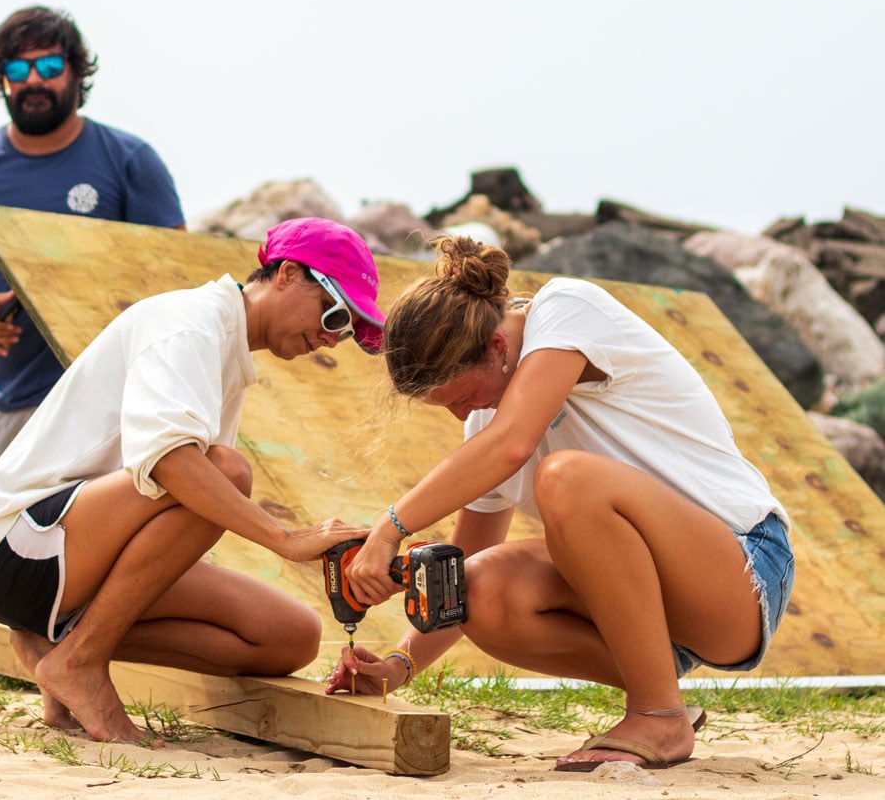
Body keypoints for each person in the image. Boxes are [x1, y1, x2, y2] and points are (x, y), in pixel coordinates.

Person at [327, 236, 794, 773]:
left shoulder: (567, 310)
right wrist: (395, 666)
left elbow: (514, 442)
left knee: (568, 478)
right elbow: (450, 583)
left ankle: (659, 714)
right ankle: (659, 687)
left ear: (498, 348)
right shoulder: (490, 424)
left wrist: (390, 528)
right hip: (656, 616)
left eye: (461, 397)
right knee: (476, 585)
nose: (462, 416)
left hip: (742, 571)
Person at [0, 217, 384, 744]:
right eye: (334, 312)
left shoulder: (226, 346)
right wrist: (287, 539)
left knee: (290, 638)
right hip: (13, 552)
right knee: (225, 471)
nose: (332, 336)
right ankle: (81, 661)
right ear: (289, 274)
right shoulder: (189, 323)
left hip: (71, 554)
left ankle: (57, 648)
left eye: (345, 329)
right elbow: (168, 463)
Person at [0, 5, 186, 476]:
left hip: (119, 404)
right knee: (8, 549)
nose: (34, 79)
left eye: (49, 66)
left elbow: (180, 280)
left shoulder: (128, 160)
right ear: (2, 80)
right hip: (13, 409)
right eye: (17, 68)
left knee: (119, 549)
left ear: (76, 72)